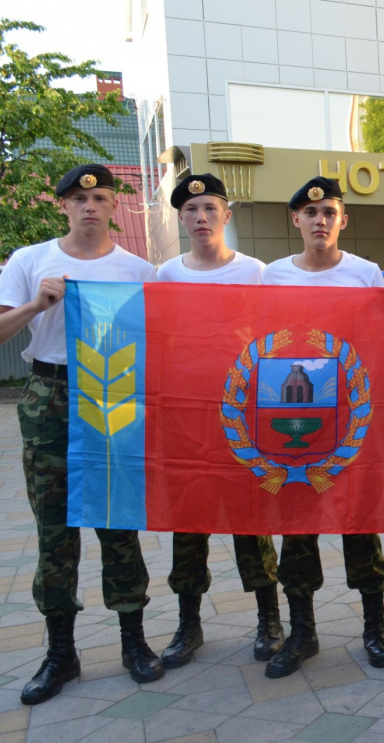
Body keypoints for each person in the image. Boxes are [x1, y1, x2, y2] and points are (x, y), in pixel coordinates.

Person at [0, 164, 163, 703]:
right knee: (55, 530)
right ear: (64, 207)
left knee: (118, 521)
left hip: (113, 400)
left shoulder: (139, 270)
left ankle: (133, 642)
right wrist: (35, 304)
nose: (90, 206)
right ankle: (61, 654)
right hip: (50, 395)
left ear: (112, 206)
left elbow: (168, 341)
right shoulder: (32, 261)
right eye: (79, 198)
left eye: (100, 197)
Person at [260, 176, 384, 678]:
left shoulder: (365, 273)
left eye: (329, 212)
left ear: (343, 220)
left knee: (360, 523)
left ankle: (375, 628)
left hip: (351, 417)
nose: (320, 221)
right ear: (296, 220)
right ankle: (302, 633)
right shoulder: (271, 276)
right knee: (297, 525)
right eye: (310, 213)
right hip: (295, 417)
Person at [155, 173, 284, 669]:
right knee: (188, 521)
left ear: (227, 216)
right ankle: (189, 623)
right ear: (181, 218)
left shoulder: (257, 272)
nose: (201, 217)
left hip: (241, 417)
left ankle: (269, 617)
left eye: (210, 208)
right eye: (191, 210)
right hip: (187, 417)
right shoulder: (166, 275)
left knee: (251, 519)